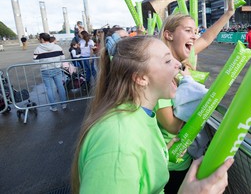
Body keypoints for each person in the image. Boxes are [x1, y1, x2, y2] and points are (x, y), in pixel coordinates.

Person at [71, 36, 233, 193]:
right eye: (167, 61)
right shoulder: (118, 139)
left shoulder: (140, 115)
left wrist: (161, 155)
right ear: (141, 78)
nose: (179, 65)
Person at [157, 0, 235, 193]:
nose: (194, 36)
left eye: (195, 31)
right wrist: (198, 102)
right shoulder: (158, 71)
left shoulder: (184, 61)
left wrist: (228, 13)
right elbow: (173, 126)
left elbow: (207, 38)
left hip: (187, 156)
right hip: (169, 163)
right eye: (188, 31)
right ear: (169, 35)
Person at [33, 33, 67, 111]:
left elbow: (35, 61)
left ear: (42, 39)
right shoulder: (57, 47)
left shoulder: (38, 49)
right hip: (57, 68)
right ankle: (64, 104)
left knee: (49, 89)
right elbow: (63, 57)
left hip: (45, 70)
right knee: (60, 86)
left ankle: (53, 106)